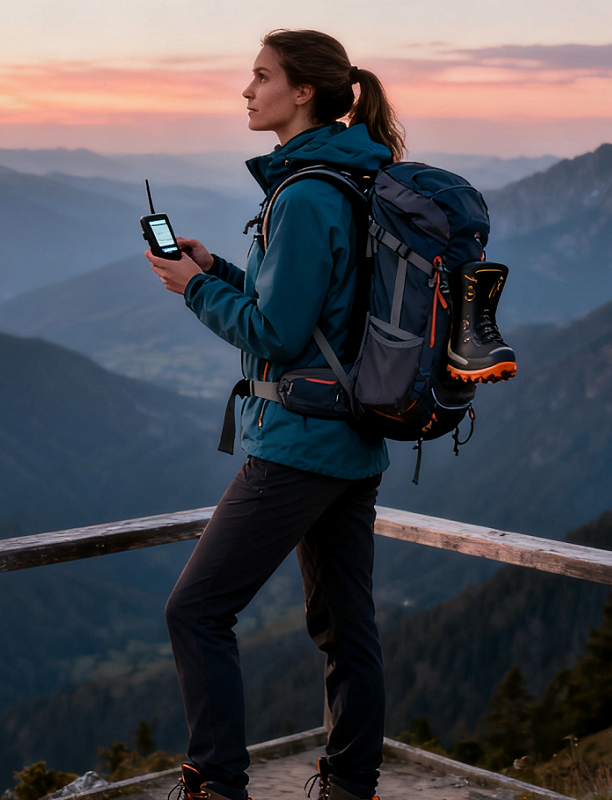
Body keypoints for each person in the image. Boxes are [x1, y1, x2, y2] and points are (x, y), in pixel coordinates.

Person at [145, 29, 403, 800]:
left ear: (303, 93)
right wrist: (218, 267)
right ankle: (351, 783)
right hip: (355, 439)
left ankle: (217, 783)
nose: (247, 91)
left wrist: (191, 289)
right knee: (346, 628)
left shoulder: (306, 193)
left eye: (261, 78)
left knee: (195, 610)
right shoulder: (356, 178)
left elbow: (274, 333)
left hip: (298, 443)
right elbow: (320, 305)